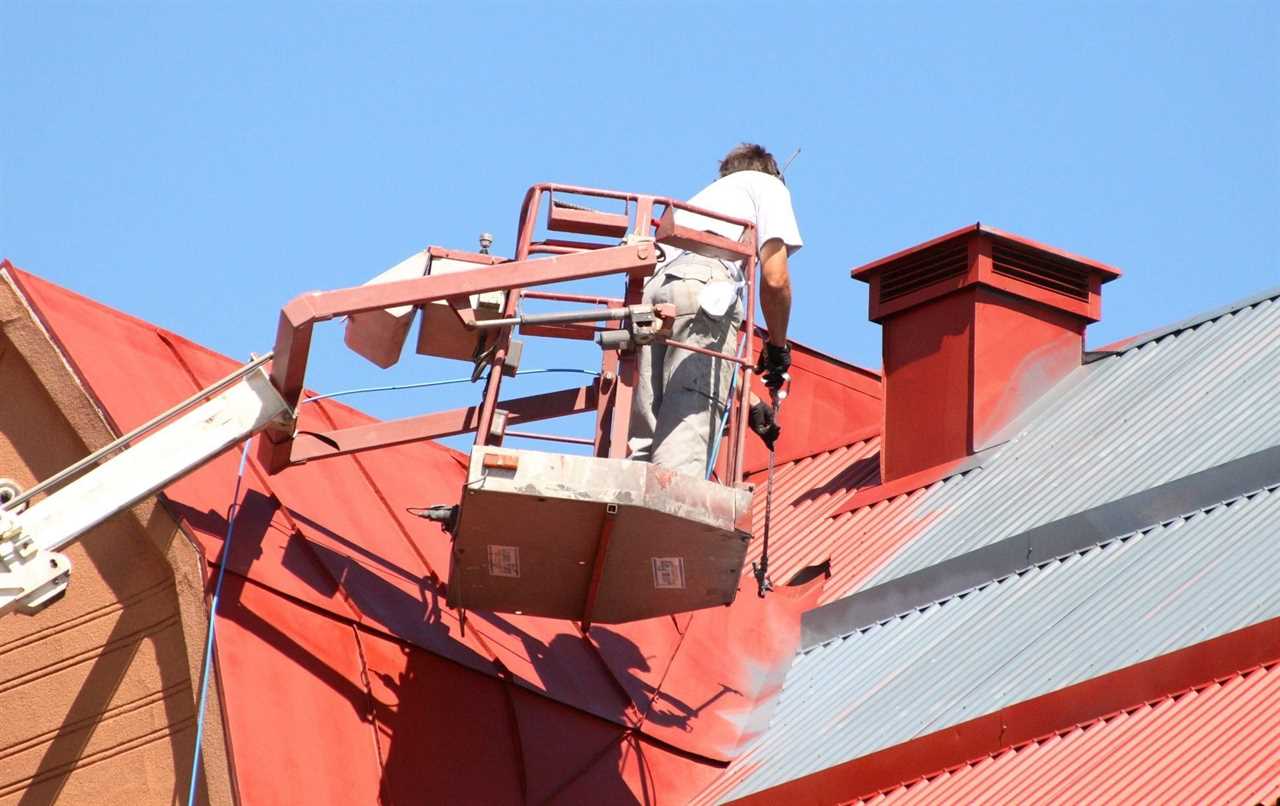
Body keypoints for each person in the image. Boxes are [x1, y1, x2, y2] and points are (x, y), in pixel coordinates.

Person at [629, 143, 801, 477]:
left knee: (646, 441)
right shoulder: (769, 186)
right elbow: (776, 278)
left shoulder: (700, 200)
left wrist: (750, 402)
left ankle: (634, 516)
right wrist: (778, 347)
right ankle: (672, 518)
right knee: (684, 442)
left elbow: (690, 328)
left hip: (651, 294)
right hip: (707, 284)